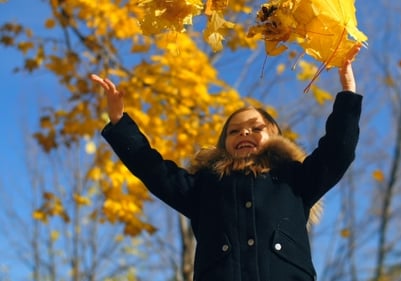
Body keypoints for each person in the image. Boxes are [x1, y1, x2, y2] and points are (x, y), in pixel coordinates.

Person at [91, 45, 362, 281]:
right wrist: (119, 123)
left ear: (275, 136)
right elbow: (152, 169)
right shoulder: (204, 185)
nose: (244, 133)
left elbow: (337, 151)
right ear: (225, 143)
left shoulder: (295, 179)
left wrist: (348, 94)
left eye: (256, 128)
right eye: (234, 131)